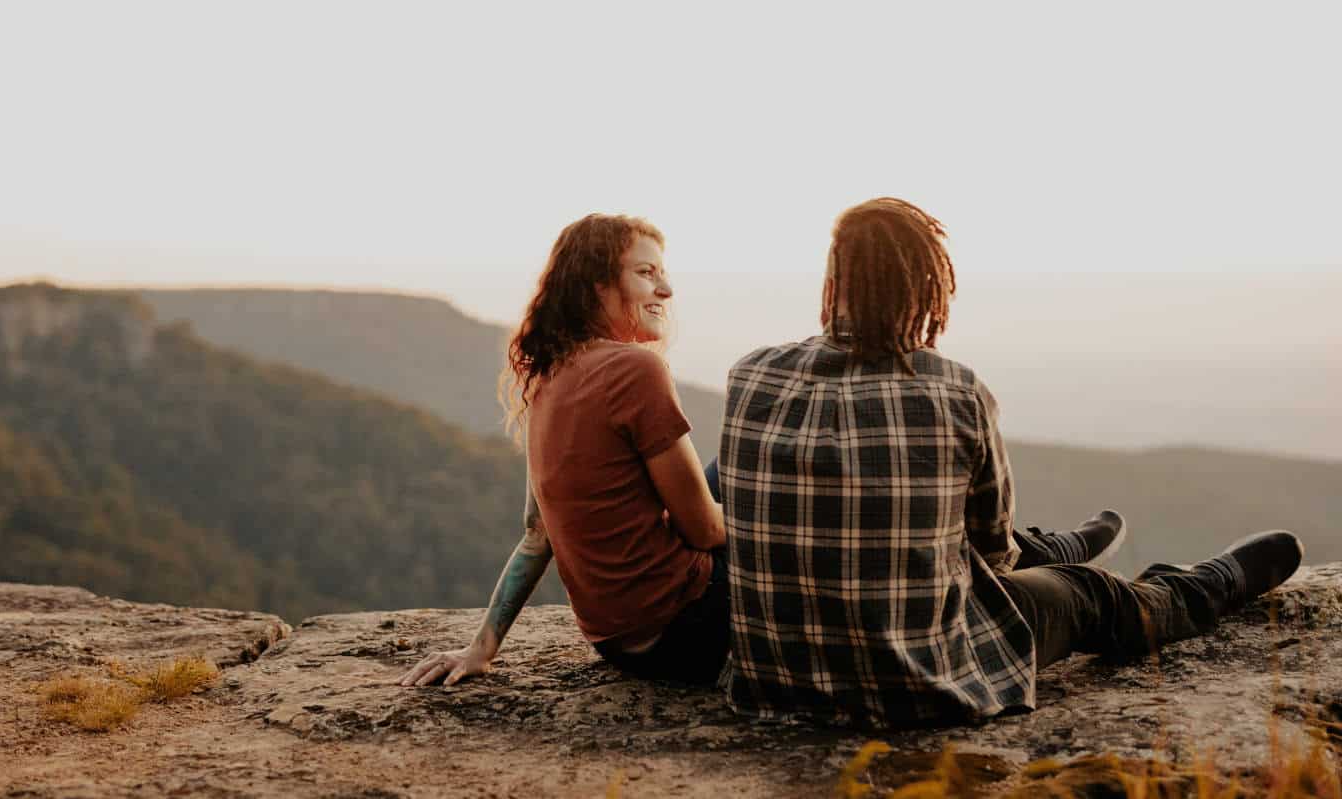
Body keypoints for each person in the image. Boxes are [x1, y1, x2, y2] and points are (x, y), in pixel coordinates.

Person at [718, 197, 1304, 729]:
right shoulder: (953, 389)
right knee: (1090, 595)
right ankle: (1207, 586)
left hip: (775, 682)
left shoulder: (750, 373)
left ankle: (1059, 545)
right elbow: (992, 552)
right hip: (919, 680)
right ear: (926, 288)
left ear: (832, 281)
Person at [398, 213, 731, 687]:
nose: (667, 290)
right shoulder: (636, 369)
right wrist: (784, 525)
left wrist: (482, 648)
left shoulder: (548, 377)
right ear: (598, 284)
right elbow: (702, 528)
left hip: (617, 642)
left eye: (663, 273)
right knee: (765, 480)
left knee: (732, 468)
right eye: (646, 273)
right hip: (683, 629)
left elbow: (537, 536)